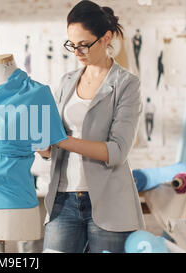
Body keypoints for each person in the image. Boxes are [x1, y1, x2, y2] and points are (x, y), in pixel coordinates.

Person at [38, 0, 145, 253]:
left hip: (109, 203)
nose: (76, 52)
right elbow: (48, 147)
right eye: (71, 45)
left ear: (106, 38)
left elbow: (117, 151)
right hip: (63, 200)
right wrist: (43, 146)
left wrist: (60, 140)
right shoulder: (65, 82)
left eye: (84, 44)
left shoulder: (127, 84)